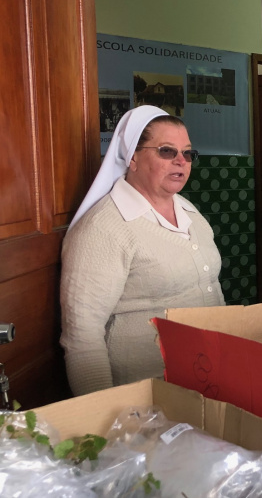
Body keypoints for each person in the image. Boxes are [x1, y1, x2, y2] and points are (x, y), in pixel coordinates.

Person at [60, 105, 224, 396]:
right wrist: (105, 419)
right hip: (147, 395)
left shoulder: (190, 212)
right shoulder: (104, 228)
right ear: (132, 157)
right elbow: (82, 337)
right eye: (166, 151)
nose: (181, 161)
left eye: (187, 153)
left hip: (206, 378)